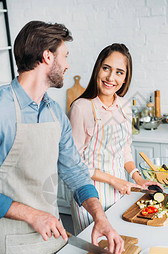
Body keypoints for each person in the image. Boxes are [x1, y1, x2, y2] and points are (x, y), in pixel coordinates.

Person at [0, 21, 124, 254]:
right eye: (64, 55)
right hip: (9, 249)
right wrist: (31, 214)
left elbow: (76, 174)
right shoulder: (2, 109)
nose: (67, 65)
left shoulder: (56, 112)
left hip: (52, 242)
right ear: (47, 56)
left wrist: (99, 218)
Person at [68, 43, 162, 235]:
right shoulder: (81, 107)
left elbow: (124, 149)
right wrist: (114, 180)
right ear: (98, 69)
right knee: (93, 253)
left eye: (119, 72)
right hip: (89, 196)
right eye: (106, 68)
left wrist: (138, 178)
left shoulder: (124, 106)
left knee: (119, 248)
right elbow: (73, 164)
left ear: (126, 77)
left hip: (120, 192)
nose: (111, 77)